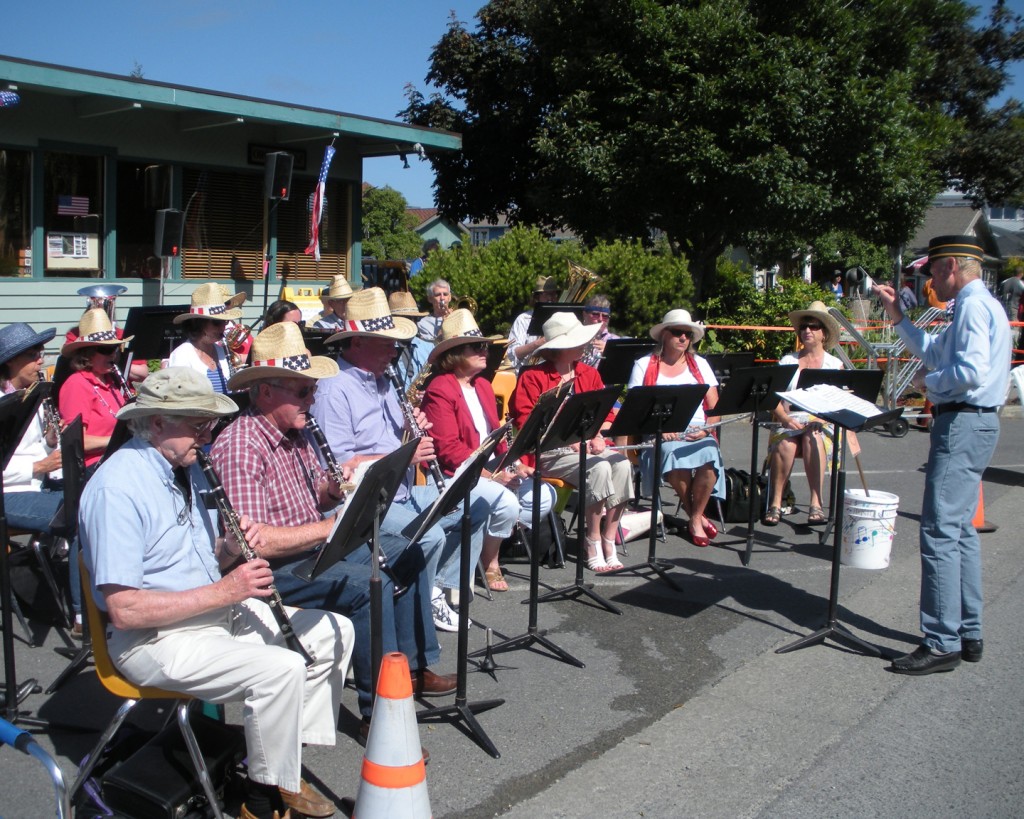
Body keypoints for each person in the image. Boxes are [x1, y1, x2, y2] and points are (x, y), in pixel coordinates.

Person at [80, 368, 350, 819]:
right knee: (281, 668)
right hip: (155, 639)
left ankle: (276, 765)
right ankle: (261, 803)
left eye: (210, 425)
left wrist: (228, 549)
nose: (208, 437)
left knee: (331, 631)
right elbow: (124, 610)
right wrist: (228, 589)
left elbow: (200, 557)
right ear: (158, 423)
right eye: (198, 425)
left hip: (211, 615)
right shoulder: (117, 489)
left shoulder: (184, 466)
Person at [210, 321, 456, 726]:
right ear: (267, 392)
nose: (314, 397)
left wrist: (335, 491)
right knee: (366, 587)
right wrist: (330, 528)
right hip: (274, 569)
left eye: (314, 388)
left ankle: (413, 668)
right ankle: (382, 717)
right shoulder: (242, 445)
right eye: (304, 390)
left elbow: (319, 499)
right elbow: (254, 544)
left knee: (407, 552)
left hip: (311, 547)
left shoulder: (296, 432)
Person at [312, 288, 492, 631]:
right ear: (358, 342)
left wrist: (413, 431)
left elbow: (399, 445)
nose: (395, 351)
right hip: (366, 503)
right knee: (431, 536)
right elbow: (340, 466)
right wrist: (404, 454)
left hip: (402, 491)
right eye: (386, 343)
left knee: (475, 505)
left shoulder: (385, 382)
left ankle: (439, 588)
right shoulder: (335, 389)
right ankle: (423, 607)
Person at [873, 235, 1010, 675]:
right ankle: (967, 632)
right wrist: (899, 318)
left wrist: (925, 387)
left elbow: (969, 372)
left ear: (951, 265)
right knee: (959, 531)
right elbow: (934, 351)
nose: (929, 279)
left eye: (932, 270)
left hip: (964, 419)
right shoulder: (978, 305)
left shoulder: (972, 305)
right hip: (974, 420)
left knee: (938, 533)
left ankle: (942, 640)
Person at [420, 309, 556, 591]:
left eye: (484, 345)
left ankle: (485, 535)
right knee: (506, 502)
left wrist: (513, 464)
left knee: (545, 496)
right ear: (456, 353)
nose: (485, 351)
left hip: (489, 466)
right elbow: (448, 449)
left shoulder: (482, 385)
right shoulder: (439, 388)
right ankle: (490, 561)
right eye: (477, 347)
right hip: (456, 473)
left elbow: (497, 435)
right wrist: (490, 477)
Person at [511, 312, 633, 572]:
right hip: (548, 451)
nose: (584, 344)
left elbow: (607, 414)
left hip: (586, 448)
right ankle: (592, 539)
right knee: (598, 468)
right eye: (578, 341)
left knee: (622, 464)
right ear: (561, 346)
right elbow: (526, 425)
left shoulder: (588, 374)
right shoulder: (532, 377)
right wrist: (576, 442)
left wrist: (598, 435)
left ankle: (609, 538)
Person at [627, 310, 724, 547]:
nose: (683, 338)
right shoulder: (643, 365)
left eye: (687, 334)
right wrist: (660, 428)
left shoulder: (700, 364)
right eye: (677, 332)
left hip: (697, 428)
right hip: (659, 430)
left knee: (710, 456)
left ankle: (694, 516)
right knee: (672, 452)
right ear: (664, 335)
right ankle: (696, 518)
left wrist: (706, 431)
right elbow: (636, 408)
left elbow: (715, 406)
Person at [763, 301, 847, 527]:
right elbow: (773, 399)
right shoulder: (787, 361)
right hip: (789, 421)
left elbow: (838, 403)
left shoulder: (834, 364)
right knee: (786, 445)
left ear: (824, 333)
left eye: (814, 326)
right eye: (804, 327)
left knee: (813, 437)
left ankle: (816, 503)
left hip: (822, 421)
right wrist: (784, 419)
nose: (807, 330)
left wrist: (820, 420)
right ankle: (776, 502)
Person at [1, 323, 63, 532]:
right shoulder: (4, 403)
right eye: (32, 355)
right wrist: (38, 467)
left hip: (37, 485)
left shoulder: (29, 394)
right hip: (9, 494)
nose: (41, 360)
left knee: (92, 502)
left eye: (41, 353)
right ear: (10, 361)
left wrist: (49, 443)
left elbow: (28, 449)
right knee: (79, 518)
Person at [57, 308, 131, 473]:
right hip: (94, 467)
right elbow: (76, 441)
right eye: (105, 350)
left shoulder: (110, 382)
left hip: (117, 458)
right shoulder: (77, 384)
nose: (113, 355)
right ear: (87, 354)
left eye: (115, 348)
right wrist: (118, 439)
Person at [168, 282, 247, 394]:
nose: (223, 327)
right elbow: (177, 396)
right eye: (216, 322)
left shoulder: (221, 351)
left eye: (224, 321)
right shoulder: (182, 355)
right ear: (198, 323)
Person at [506, 276, 561, 372]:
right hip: (529, 371)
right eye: (546, 294)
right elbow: (514, 353)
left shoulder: (561, 318)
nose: (550, 298)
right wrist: (539, 343)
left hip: (556, 372)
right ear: (537, 297)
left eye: (553, 294)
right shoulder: (523, 319)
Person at [579, 294, 620, 369]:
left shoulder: (616, 341)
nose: (600, 319)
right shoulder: (574, 337)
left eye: (605, 316)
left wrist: (610, 352)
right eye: (595, 314)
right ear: (584, 315)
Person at [999, 267, 1023, 348]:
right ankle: (1012, 345)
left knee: (1004, 324)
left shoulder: (1004, 281)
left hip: (1003, 306)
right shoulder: (1020, 283)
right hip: (1014, 307)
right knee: (1015, 326)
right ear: (1021, 274)